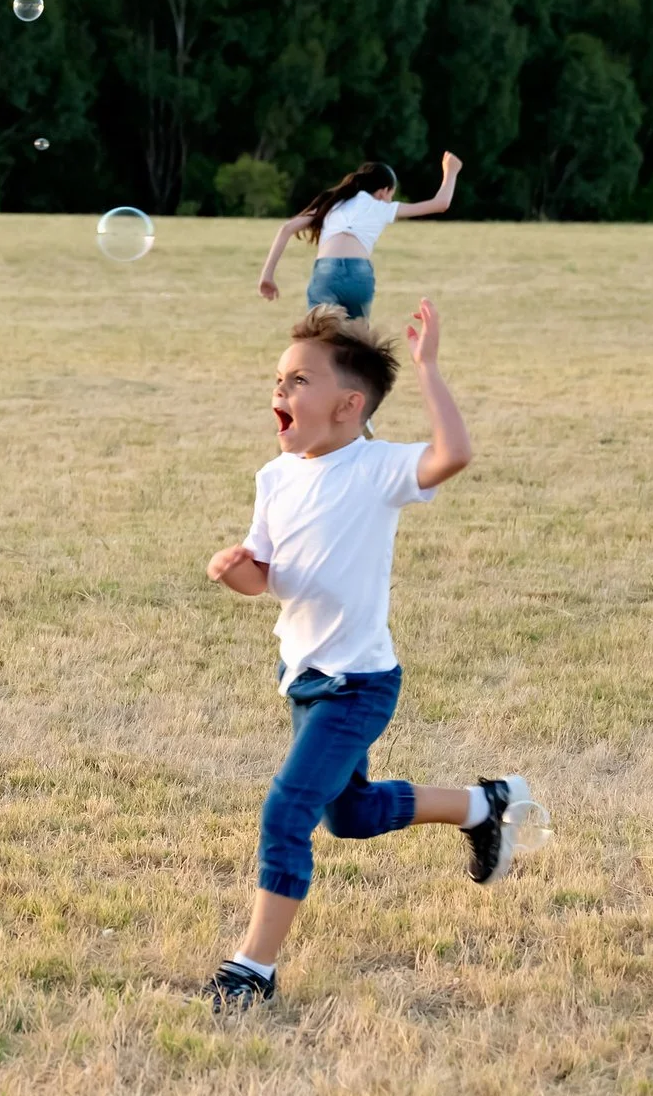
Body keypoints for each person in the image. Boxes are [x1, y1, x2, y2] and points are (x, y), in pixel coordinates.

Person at [201, 299, 534, 1012]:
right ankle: (486, 804)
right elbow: (267, 574)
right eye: (279, 380)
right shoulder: (275, 478)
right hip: (303, 678)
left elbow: (455, 455)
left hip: (360, 684)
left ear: (349, 406)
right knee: (346, 813)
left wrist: (429, 371)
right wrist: (239, 572)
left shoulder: (377, 468)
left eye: (297, 381)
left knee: (287, 810)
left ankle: (252, 968)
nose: (279, 393)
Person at [257, 153, 463, 319]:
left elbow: (286, 228)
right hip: (359, 274)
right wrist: (451, 171)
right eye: (391, 193)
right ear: (384, 192)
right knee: (357, 348)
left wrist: (267, 276)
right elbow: (440, 204)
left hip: (326, 273)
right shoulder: (381, 207)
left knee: (318, 344)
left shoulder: (332, 203)